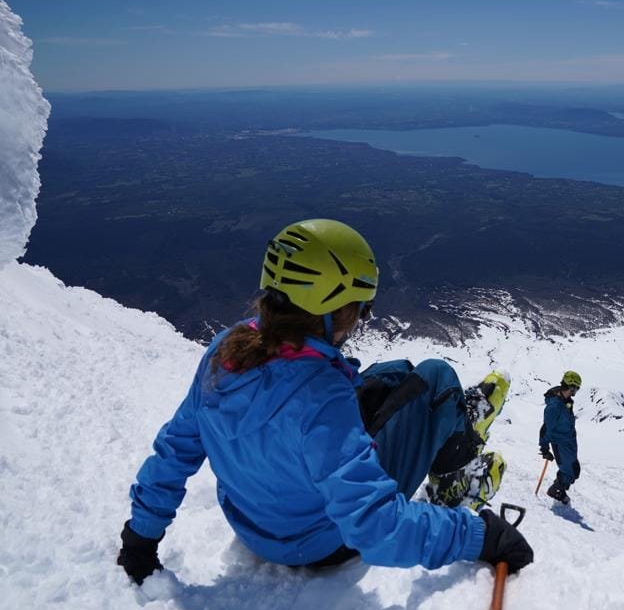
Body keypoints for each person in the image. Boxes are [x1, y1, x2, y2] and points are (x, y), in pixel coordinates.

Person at [116, 219, 533, 585]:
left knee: (396, 372)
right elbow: (376, 526)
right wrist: (480, 535)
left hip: (253, 524)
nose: (363, 317)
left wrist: (140, 538)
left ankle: (449, 426)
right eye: (361, 309)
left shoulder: (226, 351)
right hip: (321, 542)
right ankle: (453, 473)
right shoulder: (322, 400)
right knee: (436, 377)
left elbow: (177, 449)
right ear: (332, 308)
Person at [538, 371, 582, 504]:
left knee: (574, 469)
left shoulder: (566, 401)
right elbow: (546, 429)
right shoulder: (555, 406)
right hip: (560, 443)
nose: (575, 392)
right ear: (569, 385)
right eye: (575, 388)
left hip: (569, 441)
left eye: (577, 389)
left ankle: (559, 488)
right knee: (570, 470)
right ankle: (556, 491)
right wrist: (545, 449)